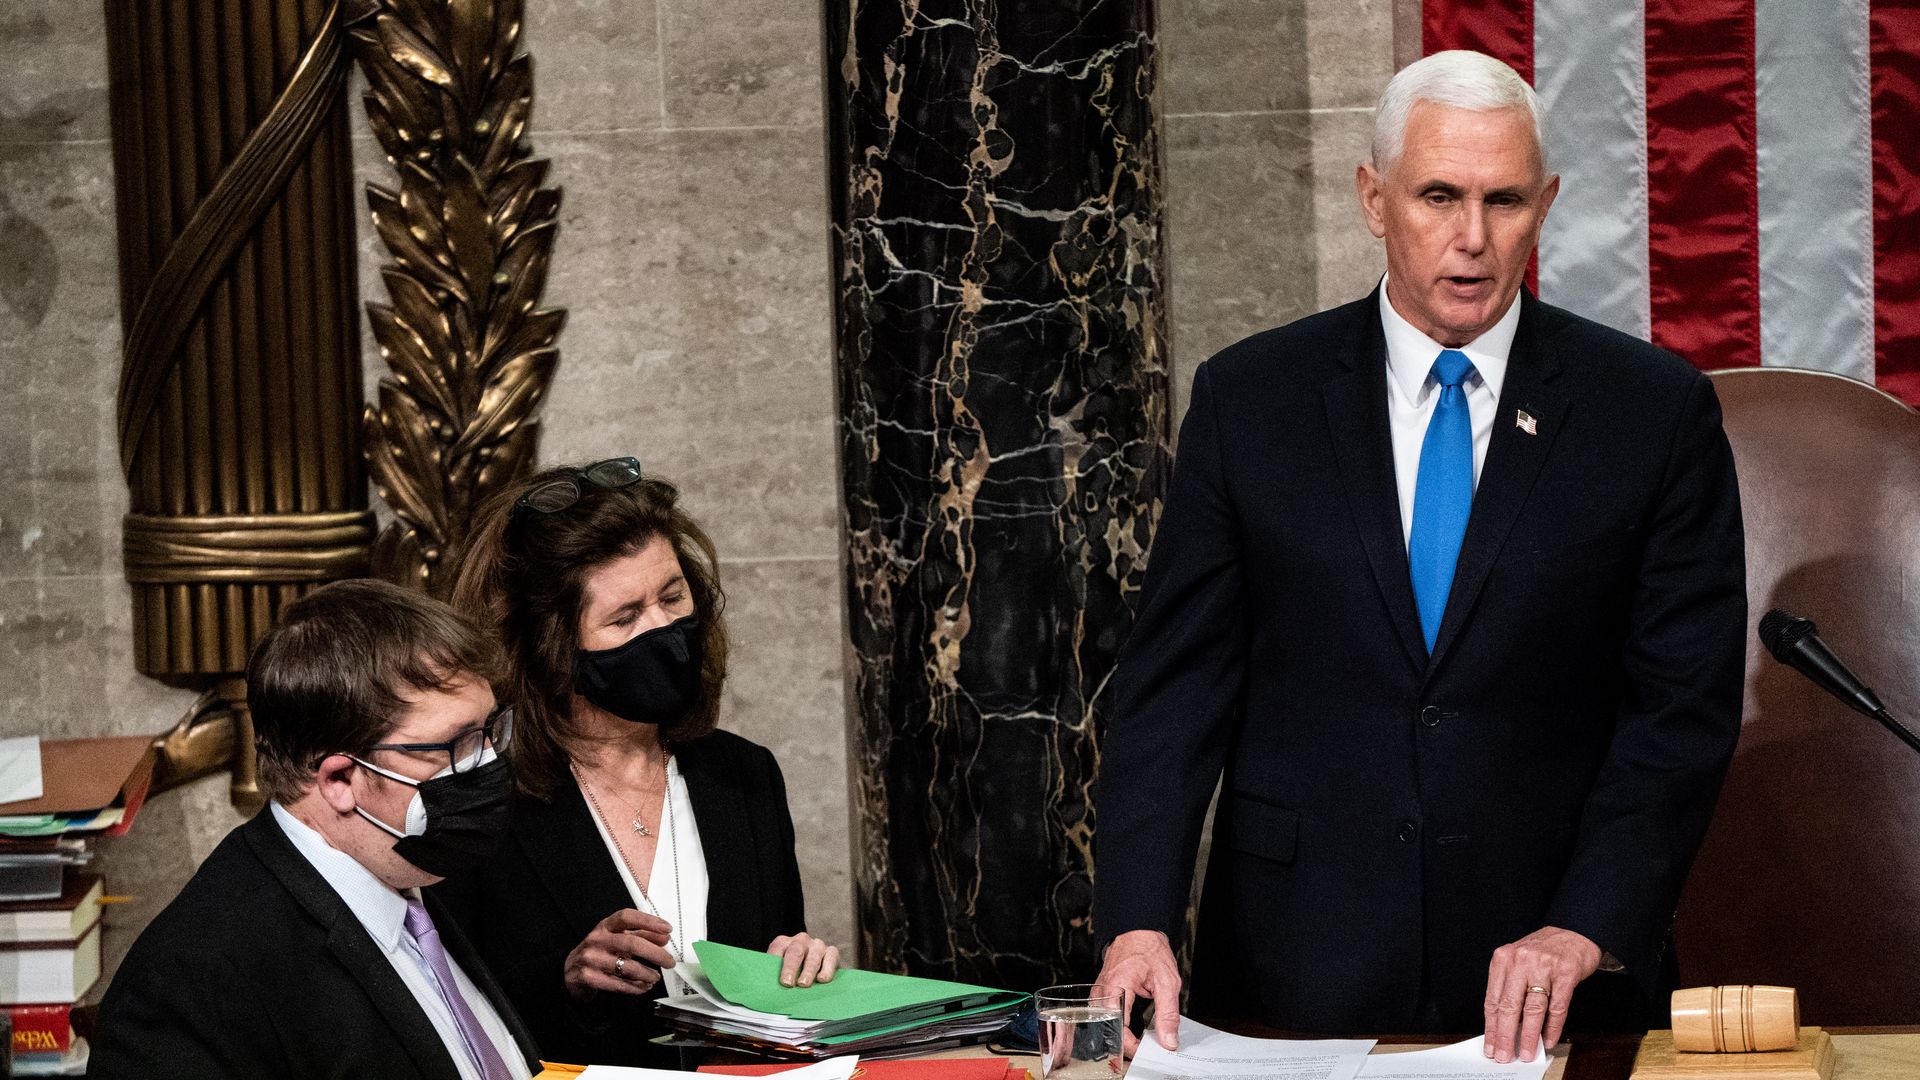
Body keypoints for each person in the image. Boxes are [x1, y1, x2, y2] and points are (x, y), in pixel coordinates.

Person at [1092, 50, 1745, 1065]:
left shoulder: (1650, 416)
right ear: (1373, 198)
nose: (1473, 240)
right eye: (1439, 195)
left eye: (1506, 200)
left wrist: (1587, 922)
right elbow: (1173, 694)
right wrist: (1137, 918)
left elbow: (1681, 711)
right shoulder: (1251, 405)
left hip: (1552, 985)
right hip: (1294, 977)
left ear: (1548, 203)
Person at [432, 457, 838, 1068]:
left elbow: (774, 993)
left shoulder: (745, 775)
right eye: (625, 617)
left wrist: (797, 969)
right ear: (551, 648)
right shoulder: (479, 806)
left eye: (673, 597)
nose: (665, 628)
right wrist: (569, 981)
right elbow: (455, 1031)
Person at [92, 579, 539, 1080]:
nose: (486, 762)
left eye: (489, 731)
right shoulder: (192, 983)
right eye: (452, 746)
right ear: (340, 780)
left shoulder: (412, 869)